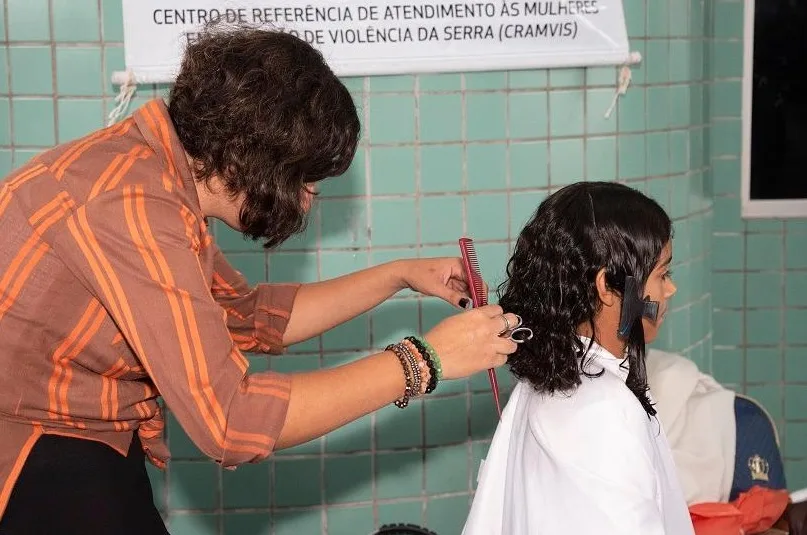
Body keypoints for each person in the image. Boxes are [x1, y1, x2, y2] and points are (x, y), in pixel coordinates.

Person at [0, 24, 518, 535]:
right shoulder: (131, 209)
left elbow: (246, 318)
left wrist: (400, 275)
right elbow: (230, 421)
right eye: (305, 178)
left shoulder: (155, 172)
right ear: (250, 156)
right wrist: (425, 361)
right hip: (36, 457)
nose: (310, 197)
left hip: (86, 432)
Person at [462, 181, 695, 535]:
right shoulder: (602, 411)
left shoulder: (558, 380)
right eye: (662, 274)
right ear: (607, 286)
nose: (670, 289)